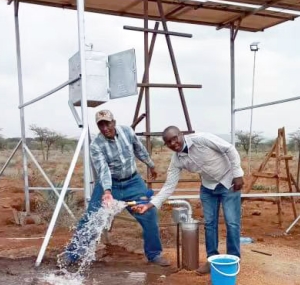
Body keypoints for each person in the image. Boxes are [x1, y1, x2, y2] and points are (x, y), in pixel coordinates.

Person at [61, 110, 170, 267]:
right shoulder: (96, 145)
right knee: (91, 218)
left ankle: (154, 255)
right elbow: (103, 170)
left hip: (133, 181)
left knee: (149, 213)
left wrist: (151, 165)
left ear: (114, 122)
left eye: (107, 123)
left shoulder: (127, 132)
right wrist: (107, 191)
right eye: (101, 125)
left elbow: (139, 149)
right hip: (110, 184)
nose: (105, 128)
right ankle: (73, 254)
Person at [134, 126, 244, 275]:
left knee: (232, 223)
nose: (173, 143)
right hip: (208, 187)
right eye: (168, 142)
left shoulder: (202, 139)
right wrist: (151, 204)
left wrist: (237, 173)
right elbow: (169, 186)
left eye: (175, 138)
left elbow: (229, 149)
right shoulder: (176, 160)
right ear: (166, 145)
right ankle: (212, 259)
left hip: (229, 181)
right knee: (209, 224)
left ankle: (233, 260)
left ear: (181, 135)